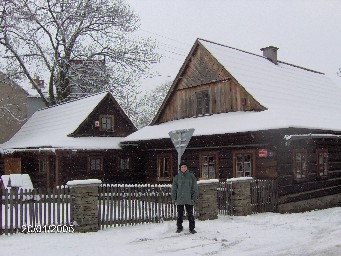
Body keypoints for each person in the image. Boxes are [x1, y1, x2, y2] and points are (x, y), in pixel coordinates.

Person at [171, 162, 199, 234]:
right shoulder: (177, 177)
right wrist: (174, 197)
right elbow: (174, 188)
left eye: (185, 167)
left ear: (187, 168)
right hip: (180, 198)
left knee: (190, 214)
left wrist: (194, 197)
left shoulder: (191, 177)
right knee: (180, 214)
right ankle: (179, 227)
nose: (183, 168)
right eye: (182, 167)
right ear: (180, 168)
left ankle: (192, 228)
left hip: (189, 199)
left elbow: (194, 188)